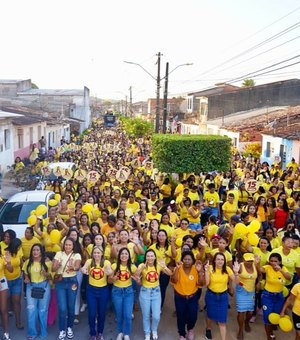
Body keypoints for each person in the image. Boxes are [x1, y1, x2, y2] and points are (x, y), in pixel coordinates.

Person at [135, 249, 173, 340]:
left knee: (156, 316)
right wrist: (140, 270)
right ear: (145, 257)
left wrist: (165, 267)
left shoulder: (158, 265)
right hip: (145, 292)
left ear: (155, 257)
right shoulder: (142, 265)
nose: (150, 258)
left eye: (152, 256)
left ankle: (154, 330)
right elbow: (136, 278)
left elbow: (170, 273)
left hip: (156, 292)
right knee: (146, 315)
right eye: (148, 256)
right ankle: (147, 333)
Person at [52, 237, 82, 340]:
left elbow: (78, 267)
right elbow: (53, 268)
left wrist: (73, 267)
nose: (67, 246)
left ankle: (69, 328)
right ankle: (61, 330)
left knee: (71, 306)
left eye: (70, 244)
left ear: (73, 246)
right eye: (66, 244)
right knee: (62, 308)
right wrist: (57, 265)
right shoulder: (59, 254)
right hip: (61, 282)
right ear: (63, 245)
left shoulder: (76, 255)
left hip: (72, 282)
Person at [81, 246, 112, 340]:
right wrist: (83, 270)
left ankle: (100, 333)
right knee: (92, 313)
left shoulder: (106, 262)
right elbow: (84, 268)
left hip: (103, 290)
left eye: (98, 253)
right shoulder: (89, 261)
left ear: (102, 253)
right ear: (92, 254)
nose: (96, 254)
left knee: (102, 313)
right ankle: (92, 333)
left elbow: (110, 270)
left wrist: (109, 272)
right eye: (95, 253)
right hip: (91, 290)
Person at [171, 250, 204, 340]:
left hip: (192, 297)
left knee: (193, 316)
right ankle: (182, 334)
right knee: (180, 316)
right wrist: (177, 269)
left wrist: (200, 272)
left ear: (192, 261)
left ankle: (190, 329)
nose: (187, 261)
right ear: (182, 260)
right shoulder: (178, 268)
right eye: (185, 259)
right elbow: (174, 280)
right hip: (180, 297)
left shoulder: (195, 269)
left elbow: (201, 283)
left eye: (189, 259)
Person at [203, 252, 236, 340]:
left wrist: (236, 273)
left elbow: (237, 281)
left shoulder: (227, 269)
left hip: (223, 297)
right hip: (211, 295)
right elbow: (206, 283)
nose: (220, 261)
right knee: (210, 315)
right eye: (218, 259)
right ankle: (208, 328)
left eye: (222, 259)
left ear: (224, 261)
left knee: (222, 320)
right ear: (214, 261)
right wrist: (206, 271)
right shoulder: (209, 268)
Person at [259, 252, 291, 340]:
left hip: (279, 297)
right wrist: (257, 262)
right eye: (271, 261)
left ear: (280, 262)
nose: (273, 263)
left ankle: (272, 329)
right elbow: (260, 269)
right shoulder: (268, 267)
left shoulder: (283, 268)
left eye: (275, 261)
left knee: (276, 315)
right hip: (267, 296)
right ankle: (269, 336)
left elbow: (289, 278)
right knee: (267, 316)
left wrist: (280, 270)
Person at [23, 243, 51, 340]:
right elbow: (25, 272)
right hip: (31, 287)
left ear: (41, 251)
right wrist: (26, 278)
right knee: (31, 310)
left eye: (37, 250)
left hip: (44, 287)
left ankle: (43, 332)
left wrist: (46, 274)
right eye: (34, 250)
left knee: (42, 310)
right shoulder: (27, 262)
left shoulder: (47, 261)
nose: (35, 252)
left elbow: (51, 277)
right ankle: (32, 332)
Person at [110, 247, 137, 340]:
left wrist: (138, 278)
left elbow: (138, 279)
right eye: (122, 254)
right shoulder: (114, 266)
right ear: (119, 256)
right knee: (119, 314)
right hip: (116, 291)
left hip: (128, 292)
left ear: (129, 256)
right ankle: (120, 332)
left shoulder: (132, 267)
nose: (124, 255)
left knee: (128, 314)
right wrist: (113, 278)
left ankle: (126, 333)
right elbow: (109, 281)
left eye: (126, 254)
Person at [234, 253, 258, 340]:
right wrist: (240, 283)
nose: (249, 262)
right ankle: (240, 329)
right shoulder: (240, 266)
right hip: (242, 291)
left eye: (251, 261)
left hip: (251, 291)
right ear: (243, 260)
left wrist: (258, 283)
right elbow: (234, 279)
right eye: (247, 261)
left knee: (250, 312)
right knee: (241, 311)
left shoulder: (255, 265)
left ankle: (246, 322)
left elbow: (259, 275)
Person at [0, 245, 13, 340]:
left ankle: (6, 333)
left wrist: (9, 262)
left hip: (2, 282)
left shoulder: (2, 257)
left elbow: (10, 270)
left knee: (3, 309)